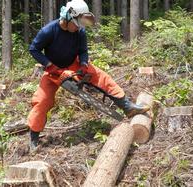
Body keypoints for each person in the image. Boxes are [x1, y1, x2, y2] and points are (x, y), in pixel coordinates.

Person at [28, 0, 150, 150]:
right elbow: (34, 49)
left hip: (74, 64)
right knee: (41, 100)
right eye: (76, 23)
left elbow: (83, 51)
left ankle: (127, 106)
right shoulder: (49, 31)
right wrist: (49, 65)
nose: (79, 27)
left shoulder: (80, 31)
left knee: (101, 77)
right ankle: (34, 137)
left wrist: (84, 64)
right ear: (68, 18)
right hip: (54, 69)